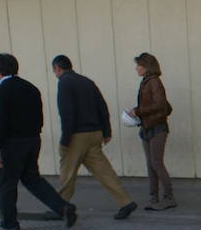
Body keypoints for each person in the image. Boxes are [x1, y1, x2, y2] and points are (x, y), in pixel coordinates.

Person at [0, 53, 77, 230]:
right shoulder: (31, 88)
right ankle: (63, 207)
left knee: (4, 183)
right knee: (32, 179)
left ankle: (9, 224)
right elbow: (40, 118)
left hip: (11, 143)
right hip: (32, 140)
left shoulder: (0, 91)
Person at [51, 55, 137, 220]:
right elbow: (102, 106)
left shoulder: (64, 83)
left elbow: (67, 114)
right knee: (104, 171)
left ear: (57, 68)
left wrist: (65, 140)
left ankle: (60, 207)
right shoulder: (87, 81)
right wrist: (106, 131)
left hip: (77, 136)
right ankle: (126, 202)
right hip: (95, 134)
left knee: (67, 172)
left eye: (54, 71)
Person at [128, 52, 175, 211]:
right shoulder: (146, 82)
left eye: (139, 65)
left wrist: (139, 111)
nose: (136, 68)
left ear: (146, 67)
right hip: (148, 127)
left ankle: (168, 198)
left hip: (157, 128)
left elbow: (160, 105)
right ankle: (154, 197)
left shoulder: (154, 82)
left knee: (156, 163)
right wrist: (137, 111)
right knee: (151, 164)